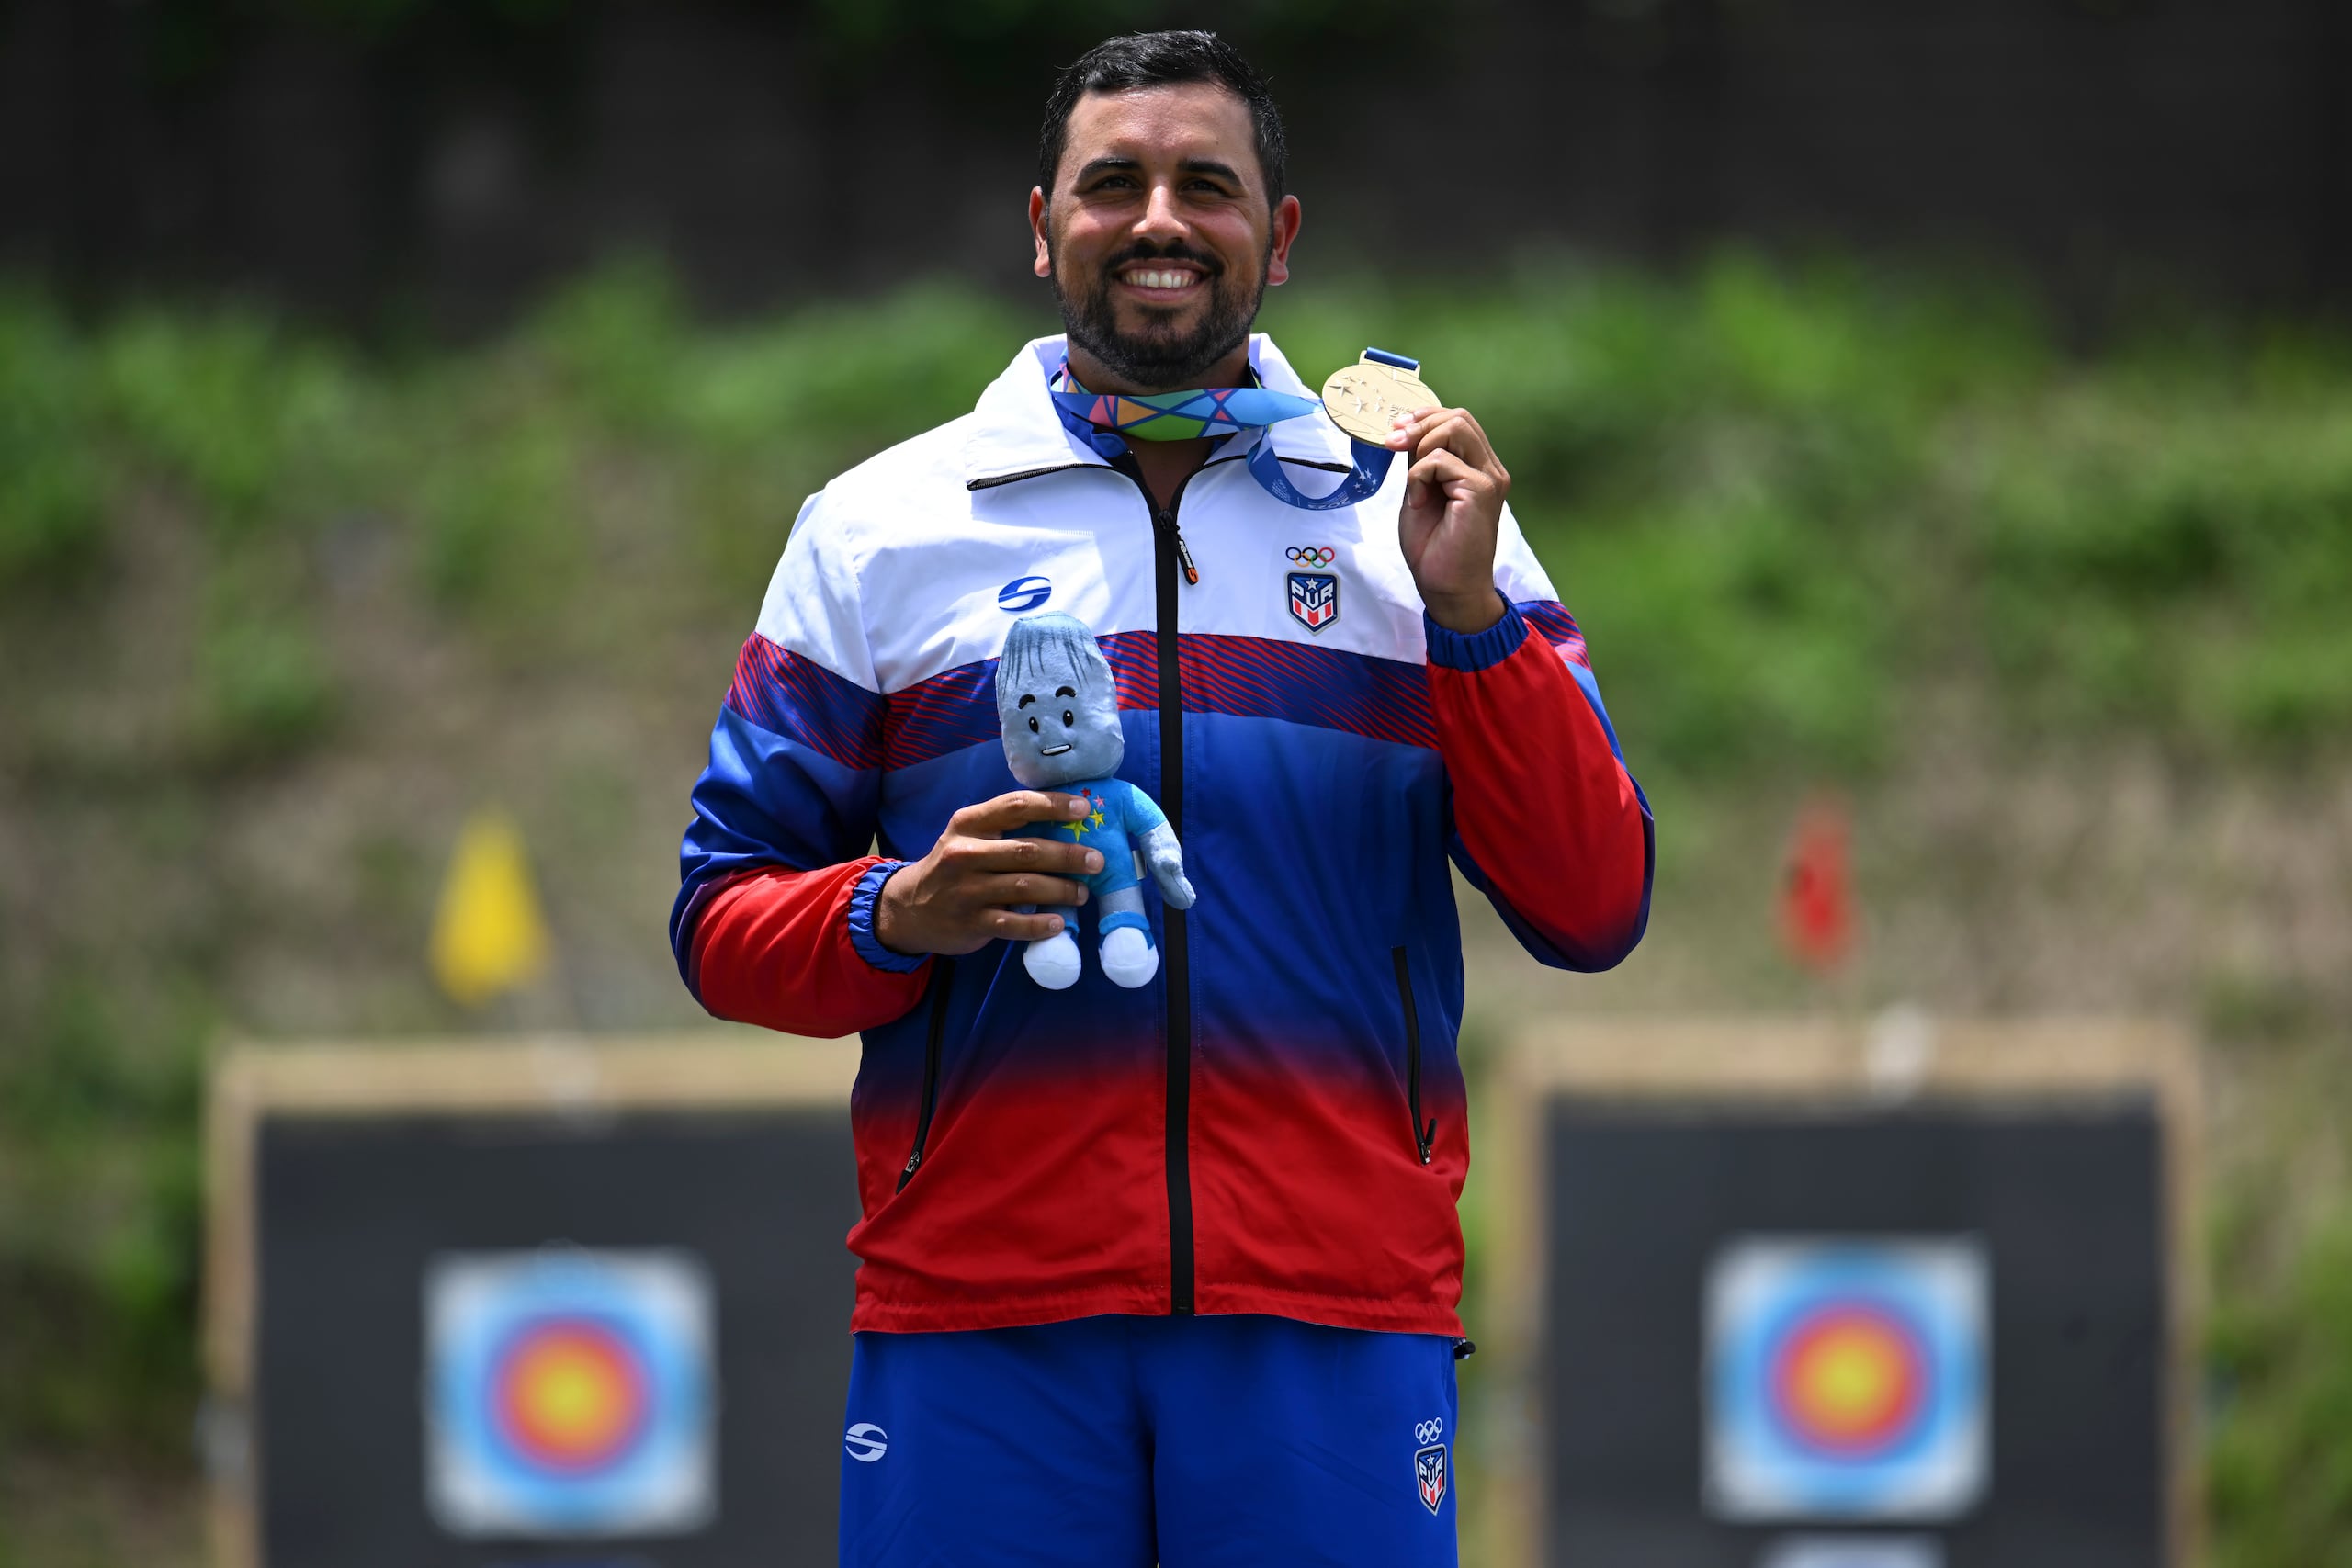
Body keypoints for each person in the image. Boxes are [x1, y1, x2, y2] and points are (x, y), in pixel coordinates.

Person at [671, 29, 1652, 1566]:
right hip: (982, 1314)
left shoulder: (1431, 523)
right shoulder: (878, 531)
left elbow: (1594, 907)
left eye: (1208, 184)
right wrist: (895, 910)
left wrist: (1471, 623)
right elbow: (718, 919)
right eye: (1112, 183)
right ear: (1043, 224)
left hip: (1329, 1308)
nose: (1159, 221)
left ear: (1283, 236)